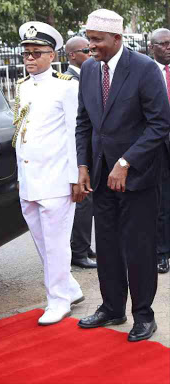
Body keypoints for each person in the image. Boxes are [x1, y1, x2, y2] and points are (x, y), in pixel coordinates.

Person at [75, 9, 170, 342]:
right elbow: (84, 123)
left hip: (138, 178)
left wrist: (126, 162)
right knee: (109, 247)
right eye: (89, 38)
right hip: (101, 177)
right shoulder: (88, 70)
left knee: (139, 248)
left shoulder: (143, 69)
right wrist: (83, 165)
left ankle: (143, 316)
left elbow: (160, 123)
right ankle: (112, 308)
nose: (91, 45)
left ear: (117, 38)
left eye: (97, 39)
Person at [13, 21, 84, 326]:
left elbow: (75, 134)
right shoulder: (22, 86)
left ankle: (58, 301)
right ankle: (69, 287)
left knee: (55, 243)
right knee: (43, 241)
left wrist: (76, 177)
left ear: (52, 55)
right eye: (26, 53)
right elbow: (22, 133)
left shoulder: (67, 86)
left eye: (37, 53)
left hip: (56, 178)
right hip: (29, 179)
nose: (30, 58)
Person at [64, 36, 97, 269]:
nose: (91, 52)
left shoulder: (85, 75)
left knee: (88, 200)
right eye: (86, 49)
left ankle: (84, 245)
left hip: (90, 146)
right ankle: (79, 251)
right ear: (73, 55)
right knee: (83, 200)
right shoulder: (69, 81)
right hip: (78, 149)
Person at [149, 28, 170, 274]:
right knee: (162, 201)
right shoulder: (145, 70)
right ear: (152, 47)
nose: (168, 47)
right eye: (163, 44)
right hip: (157, 146)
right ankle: (161, 252)